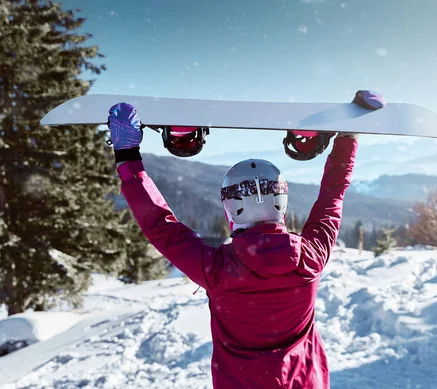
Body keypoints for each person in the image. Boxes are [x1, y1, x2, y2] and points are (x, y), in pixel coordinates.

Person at [108, 102, 358, 389]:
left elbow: (159, 224)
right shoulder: (310, 257)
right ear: (282, 203)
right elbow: (333, 197)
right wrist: (348, 139)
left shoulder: (217, 269)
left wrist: (127, 156)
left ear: (230, 209)